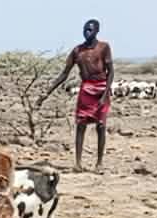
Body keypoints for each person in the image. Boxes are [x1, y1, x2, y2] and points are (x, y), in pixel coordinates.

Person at [42, 19, 114, 172]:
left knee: (101, 126)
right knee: (81, 125)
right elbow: (64, 74)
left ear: (97, 31)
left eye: (90, 30)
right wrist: (46, 93)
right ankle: (78, 163)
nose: (87, 32)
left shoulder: (104, 47)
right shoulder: (77, 51)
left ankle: (99, 163)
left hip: (101, 87)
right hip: (86, 88)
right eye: (85, 29)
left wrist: (105, 93)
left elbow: (111, 71)